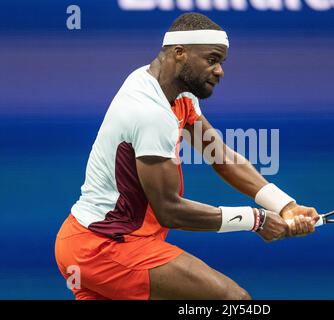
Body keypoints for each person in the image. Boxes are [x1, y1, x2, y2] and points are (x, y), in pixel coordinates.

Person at [54, 12, 320, 300]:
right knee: (234, 301)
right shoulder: (150, 112)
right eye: (212, 59)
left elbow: (219, 156)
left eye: (221, 62)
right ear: (180, 53)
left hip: (87, 243)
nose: (220, 71)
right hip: (107, 248)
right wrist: (254, 219)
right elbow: (170, 210)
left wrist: (284, 205)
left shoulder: (173, 90)